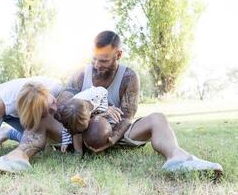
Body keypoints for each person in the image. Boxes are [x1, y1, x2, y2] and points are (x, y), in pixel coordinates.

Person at [56, 30, 223, 175]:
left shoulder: (129, 77)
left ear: (118, 55)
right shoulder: (81, 74)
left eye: (104, 60)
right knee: (44, 115)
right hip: (78, 133)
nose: (98, 65)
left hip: (117, 134)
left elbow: (127, 116)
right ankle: (28, 156)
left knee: (158, 118)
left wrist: (111, 139)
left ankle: (178, 158)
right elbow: (63, 104)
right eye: (95, 59)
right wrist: (90, 119)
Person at [0, 76, 64, 175]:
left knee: (38, 138)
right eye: (47, 111)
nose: (55, 109)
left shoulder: (56, 87)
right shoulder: (6, 100)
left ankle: (7, 132)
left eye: (53, 102)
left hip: (18, 111)